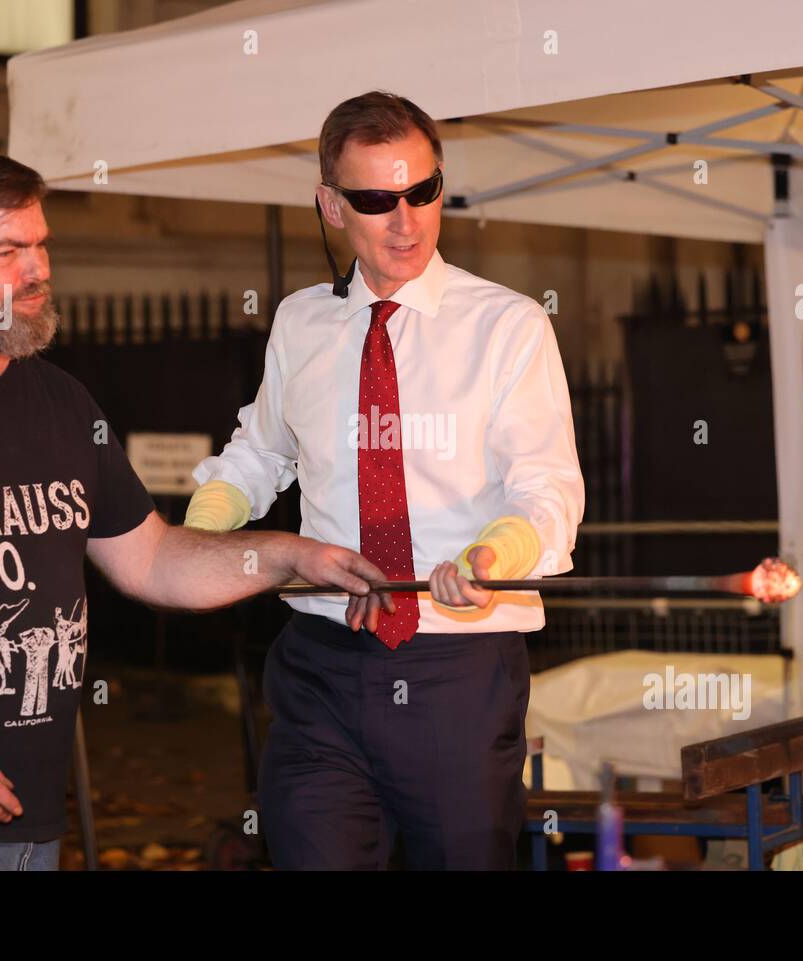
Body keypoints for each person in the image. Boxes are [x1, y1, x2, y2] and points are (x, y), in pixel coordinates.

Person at [0, 146, 388, 871]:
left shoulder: (59, 403)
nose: (38, 270)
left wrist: (287, 556)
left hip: (32, 815)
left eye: (42, 245)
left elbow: (151, 559)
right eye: (8, 251)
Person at [185, 91, 584, 869]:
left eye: (423, 191)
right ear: (330, 206)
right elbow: (261, 454)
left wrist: (494, 556)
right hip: (320, 663)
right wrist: (198, 533)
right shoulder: (302, 322)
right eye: (376, 200)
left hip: (456, 669)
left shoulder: (509, 326)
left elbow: (547, 487)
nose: (406, 221)